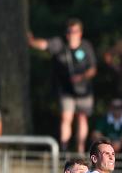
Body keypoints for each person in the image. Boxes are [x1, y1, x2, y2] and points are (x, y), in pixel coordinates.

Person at [28, 18, 98, 153]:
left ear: (80, 33)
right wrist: (31, 41)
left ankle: (80, 150)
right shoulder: (60, 44)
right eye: (69, 32)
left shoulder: (86, 46)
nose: (72, 35)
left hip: (84, 90)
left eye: (75, 31)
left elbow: (93, 69)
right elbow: (44, 44)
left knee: (82, 118)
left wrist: (81, 77)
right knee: (66, 117)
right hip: (66, 90)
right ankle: (64, 149)